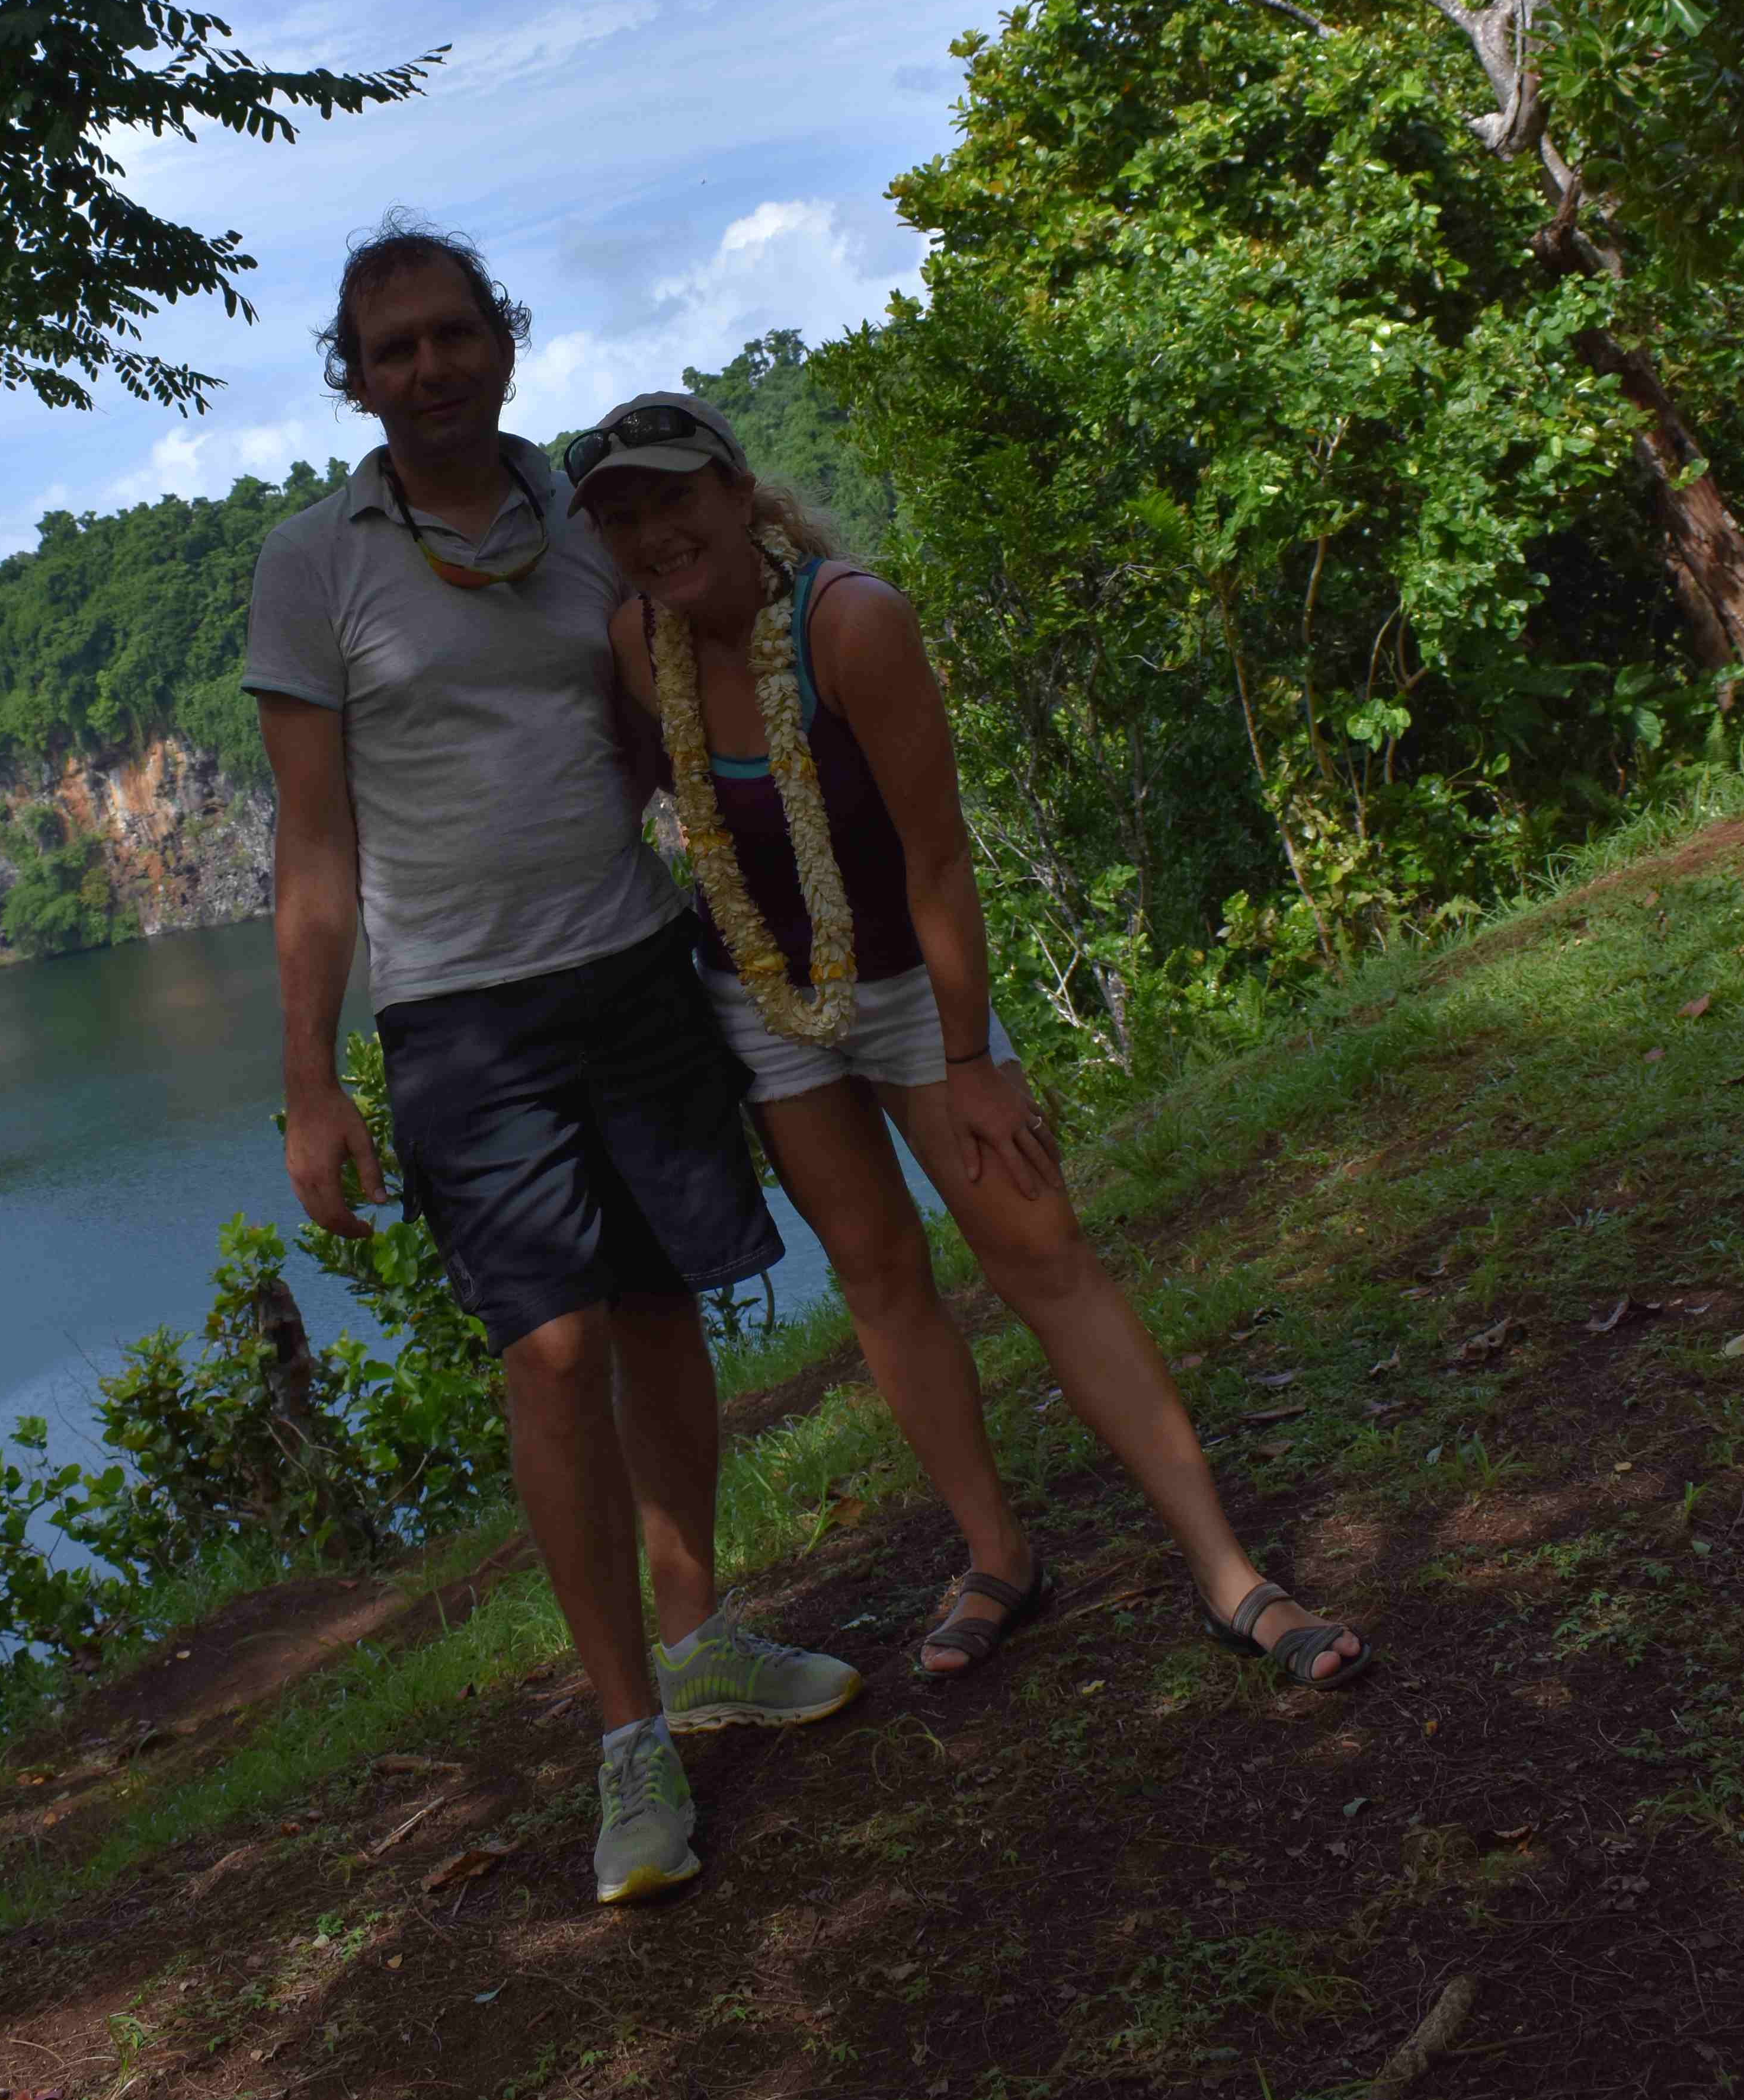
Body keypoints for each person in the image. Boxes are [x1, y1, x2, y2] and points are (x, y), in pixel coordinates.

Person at [241, 223, 862, 1910]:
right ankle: (625, 1734)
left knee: (659, 1310)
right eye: (392, 349)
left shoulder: (587, 523)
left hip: (632, 964)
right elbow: (313, 841)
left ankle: (700, 1633)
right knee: (551, 1348)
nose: (428, 367)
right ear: (354, 381)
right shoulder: (313, 564)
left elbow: (667, 730)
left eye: (453, 334)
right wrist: (312, 1080)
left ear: (501, 344)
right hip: (458, 1016)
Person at [571, 389, 1371, 1693]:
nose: (654, 533)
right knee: (878, 1276)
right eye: (621, 516)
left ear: (736, 491)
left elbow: (937, 856)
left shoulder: (849, 621)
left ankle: (1229, 1573)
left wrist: (972, 1060)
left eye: (675, 497)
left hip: (908, 988)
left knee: (1040, 1252)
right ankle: (998, 1556)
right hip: (763, 1005)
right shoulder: (632, 643)